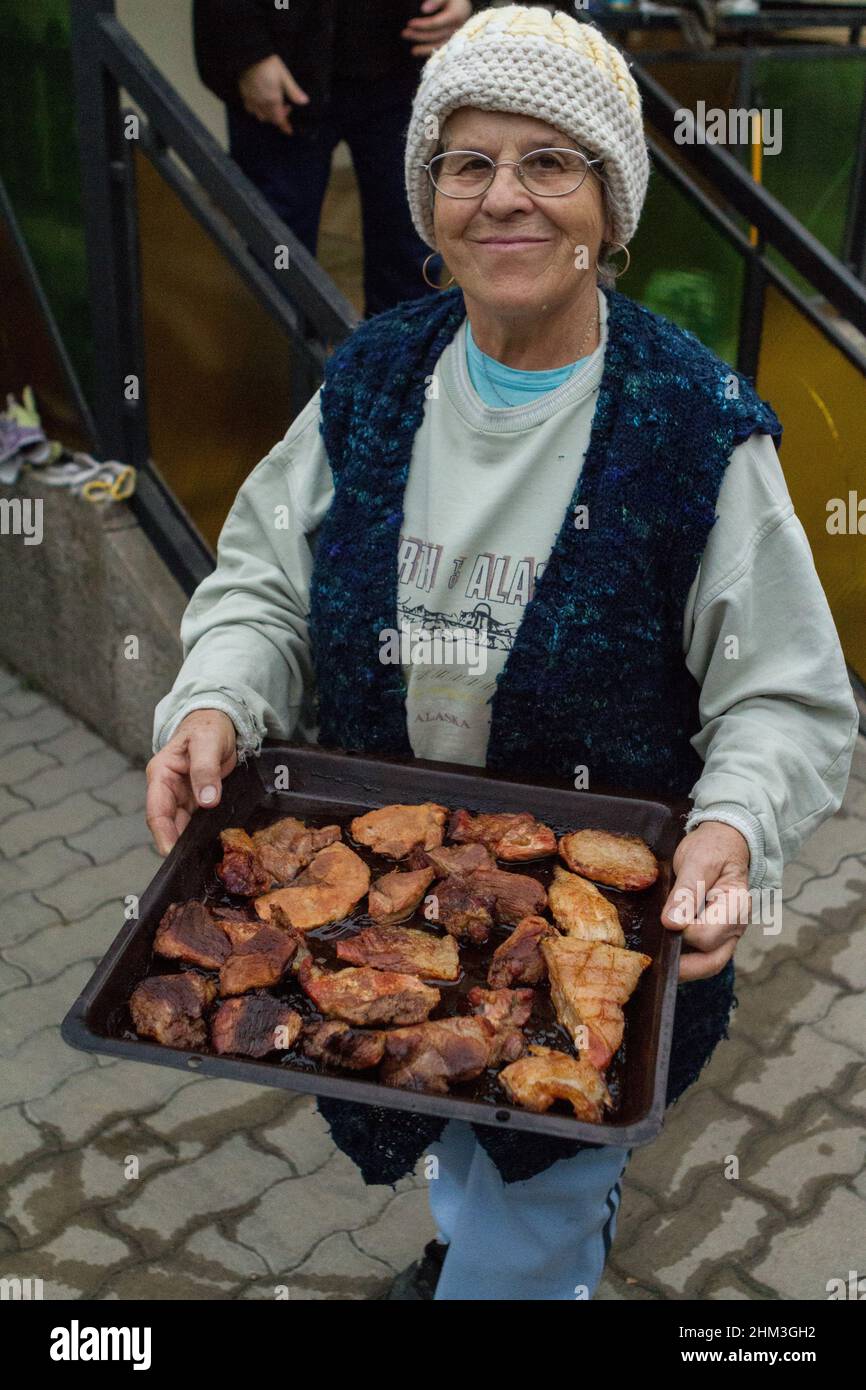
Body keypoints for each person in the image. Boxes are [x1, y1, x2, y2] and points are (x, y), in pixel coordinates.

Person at [149, 6, 858, 1300]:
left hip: (591, 954)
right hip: (400, 913)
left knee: (533, 1212)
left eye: (550, 161)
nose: (503, 198)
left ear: (610, 204)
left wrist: (733, 830)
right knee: (457, 1141)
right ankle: (468, 1234)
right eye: (466, 163)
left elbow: (783, 695)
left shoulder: (689, 426)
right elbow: (262, 581)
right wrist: (213, 698)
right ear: (426, 199)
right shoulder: (369, 382)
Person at [193, 0, 476, 315]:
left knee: (410, 260)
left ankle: (398, 363)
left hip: (407, 63)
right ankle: (273, 363)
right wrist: (246, 49)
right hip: (282, 60)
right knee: (273, 264)